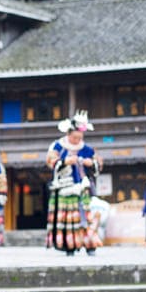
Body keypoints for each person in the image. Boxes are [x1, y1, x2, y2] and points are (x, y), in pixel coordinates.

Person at [46, 110, 100, 256]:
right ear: (68, 134)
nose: (77, 140)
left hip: (82, 188)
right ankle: (69, 246)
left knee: (85, 217)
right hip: (65, 188)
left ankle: (89, 245)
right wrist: (64, 162)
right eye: (75, 137)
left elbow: (98, 164)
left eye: (80, 137)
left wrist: (91, 163)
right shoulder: (58, 146)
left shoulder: (86, 149)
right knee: (68, 219)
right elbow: (51, 162)